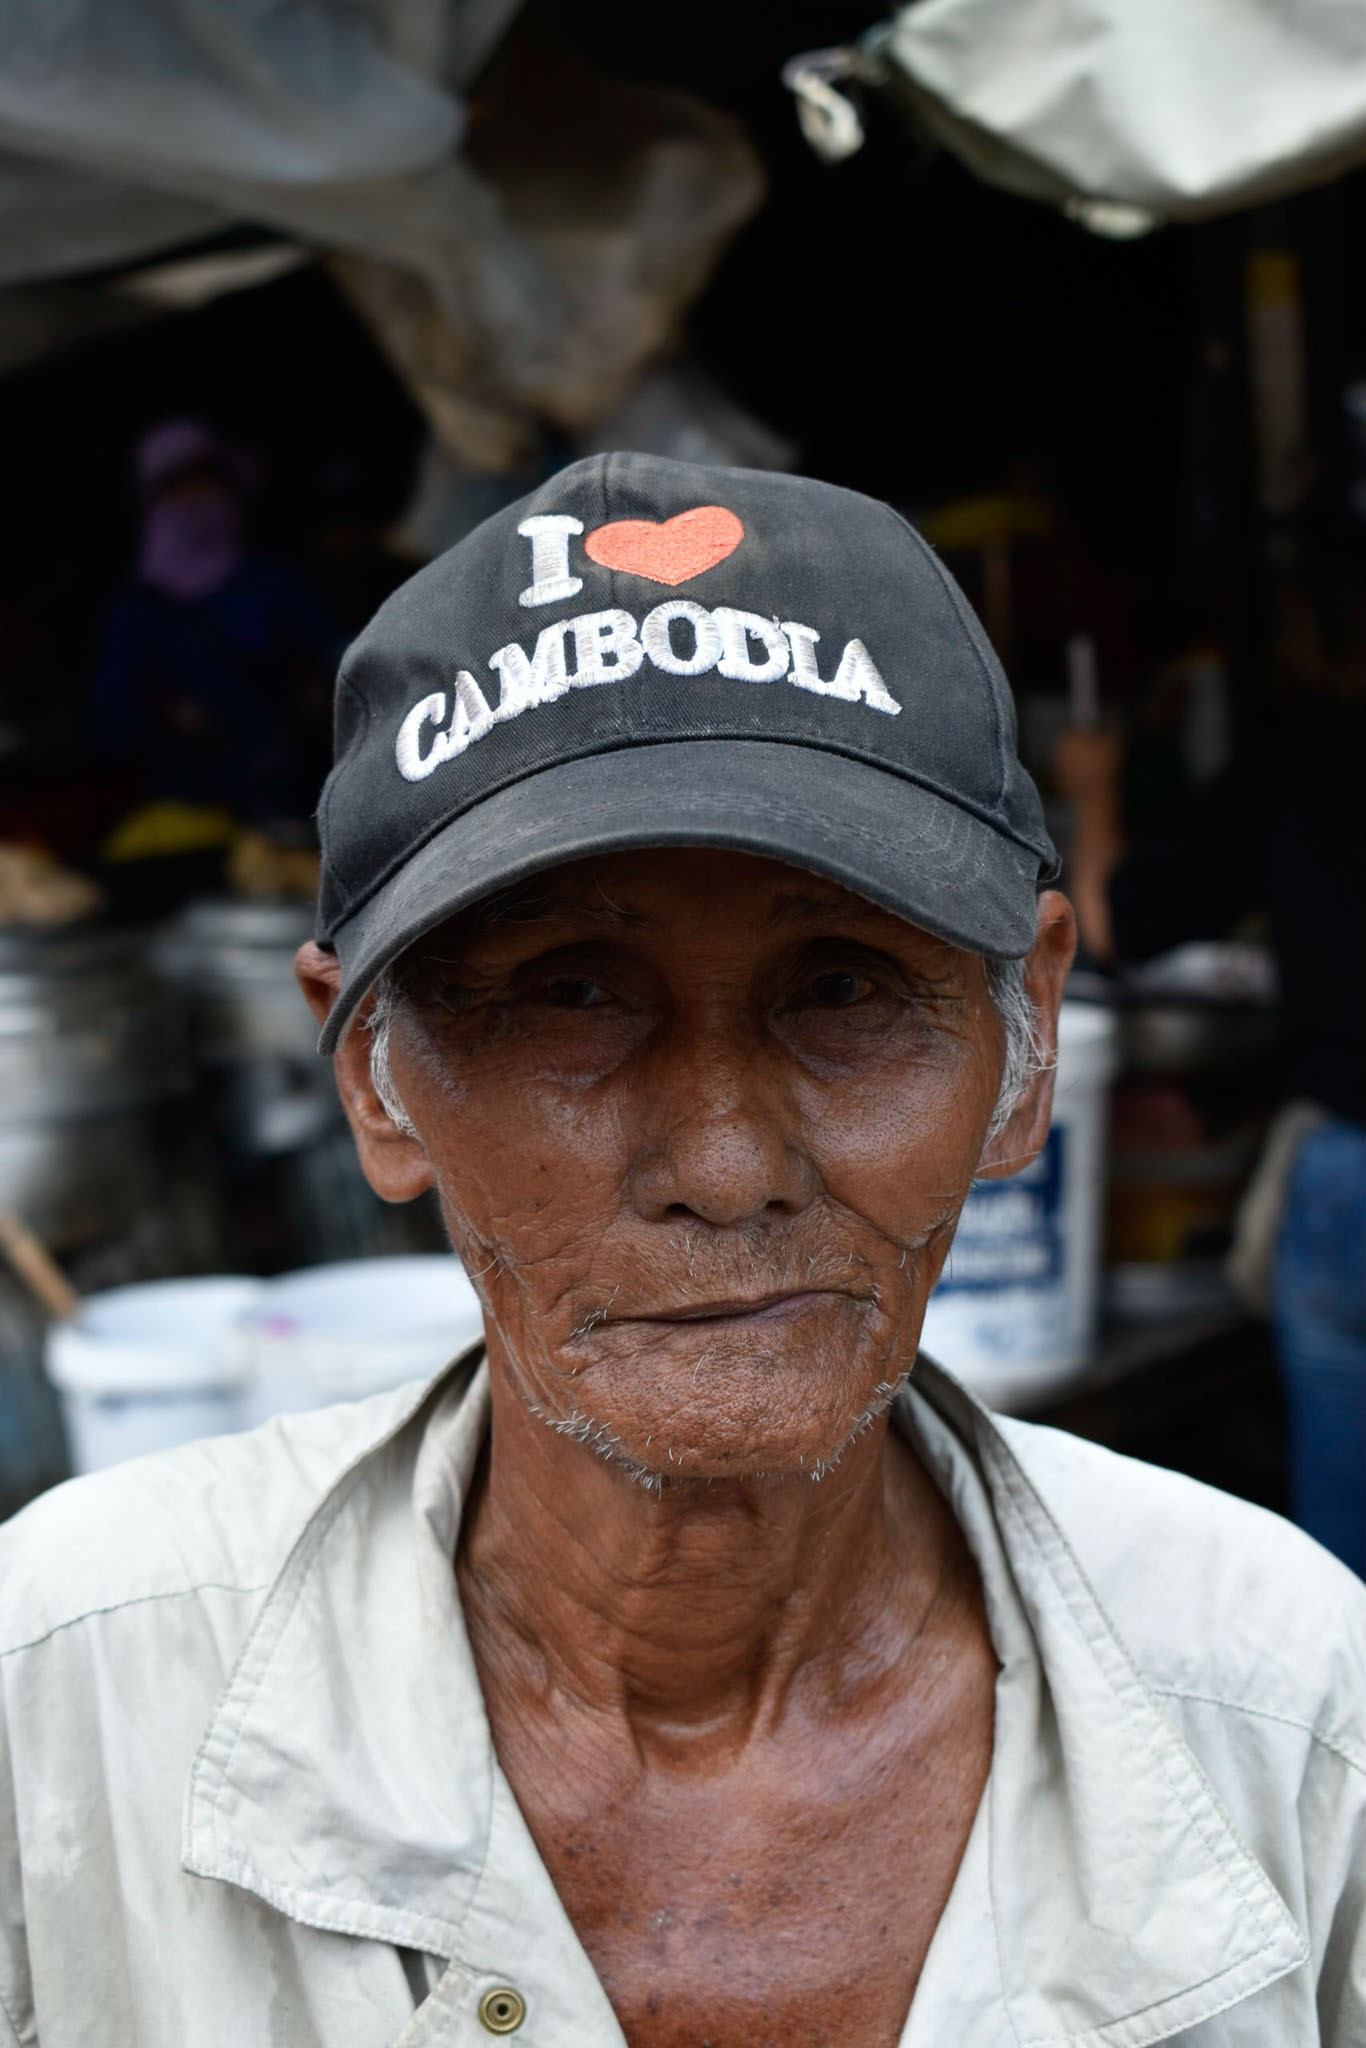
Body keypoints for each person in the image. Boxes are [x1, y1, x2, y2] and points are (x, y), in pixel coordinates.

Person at [2, 455, 1363, 2047]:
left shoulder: (1291, 1714)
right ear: (371, 1074)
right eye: (570, 993)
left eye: (844, 988)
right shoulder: (64, 1701)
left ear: (1027, 1049)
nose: (723, 1168)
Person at [1056, 575, 1366, 1574]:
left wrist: (1094, 786)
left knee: (1343, 1543)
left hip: (1346, 1171)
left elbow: (1109, 925)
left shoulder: (1306, 762)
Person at [90, 418, 342, 826]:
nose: (199, 498)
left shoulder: (268, 580)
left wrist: (318, 691)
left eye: (208, 480)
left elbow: (339, 655)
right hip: (203, 813)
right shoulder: (137, 613)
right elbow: (110, 722)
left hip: (313, 789)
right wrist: (167, 716)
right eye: (181, 486)